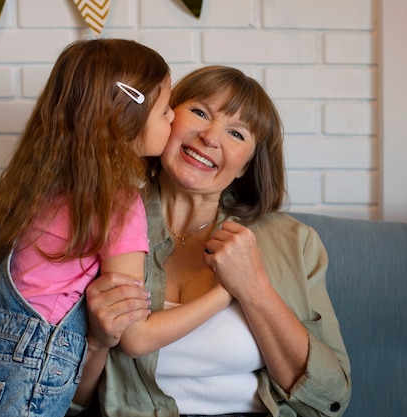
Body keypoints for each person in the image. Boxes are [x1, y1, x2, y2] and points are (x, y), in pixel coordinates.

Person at [81, 65, 352, 416]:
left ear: (245, 167)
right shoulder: (101, 222)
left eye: (237, 134)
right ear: (164, 118)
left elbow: (330, 398)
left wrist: (254, 289)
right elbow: (67, 403)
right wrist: (96, 343)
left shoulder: (295, 243)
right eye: (199, 112)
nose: (210, 137)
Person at [0, 38, 181, 417]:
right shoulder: (119, 203)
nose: (173, 117)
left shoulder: (38, 186)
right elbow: (130, 325)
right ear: (125, 116)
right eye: (165, 109)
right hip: (27, 372)